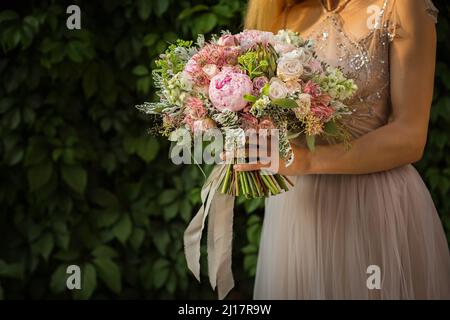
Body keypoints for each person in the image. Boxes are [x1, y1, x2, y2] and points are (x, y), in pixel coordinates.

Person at [238, 0, 450, 299]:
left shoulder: (400, 6)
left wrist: (307, 160)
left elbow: (410, 135)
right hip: (299, 209)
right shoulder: (283, 12)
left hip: (375, 205)